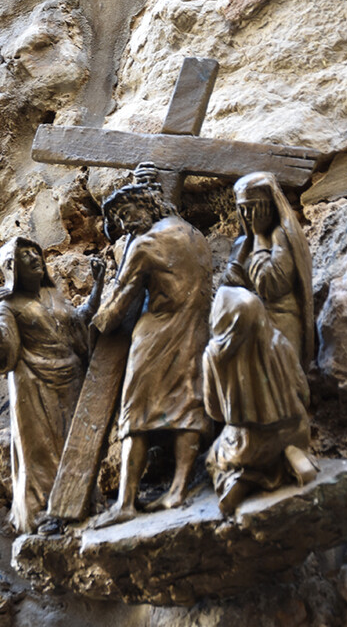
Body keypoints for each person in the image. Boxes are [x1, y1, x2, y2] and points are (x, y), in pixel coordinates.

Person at [91, 164, 212, 526]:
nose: (127, 225)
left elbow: (118, 304)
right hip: (194, 328)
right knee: (187, 404)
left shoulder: (144, 245)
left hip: (156, 335)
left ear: (146, 204)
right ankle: (177, 489)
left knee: (135, 416)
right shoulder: (193, 234)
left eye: (128, 214)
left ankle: (126, 502)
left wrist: (94, 322)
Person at [0, 237, 104, 533]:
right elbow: (6, 357)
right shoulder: (8, 306)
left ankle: (83, 501)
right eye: (26, 255)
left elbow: (78, 323)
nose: (36, 258)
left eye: (36, 253)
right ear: (12, 267)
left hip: (71, 377)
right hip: (33, 385)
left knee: (75, 444)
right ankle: (44, 514)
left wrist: (98, 288)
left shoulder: (53, 294)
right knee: (40, 453)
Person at [203, 285, 317, 516]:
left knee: (212, 459)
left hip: (245, 443)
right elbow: (303, 394)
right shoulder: (279, 342)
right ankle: (291, 457)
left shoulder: (213, 356)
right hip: (294, 429)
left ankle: (243, 478)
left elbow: (214, 412)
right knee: (282, 443)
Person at [223, 171, 314, 368]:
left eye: (255, 208)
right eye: (243, 209)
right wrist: (246, 245)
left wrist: (259, 237)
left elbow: (269, 285)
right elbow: (229, 285)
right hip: (248, 328)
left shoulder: (281, 237)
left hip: (279, 326)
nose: (248, 216)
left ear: (270, 207)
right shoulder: (242, 243)